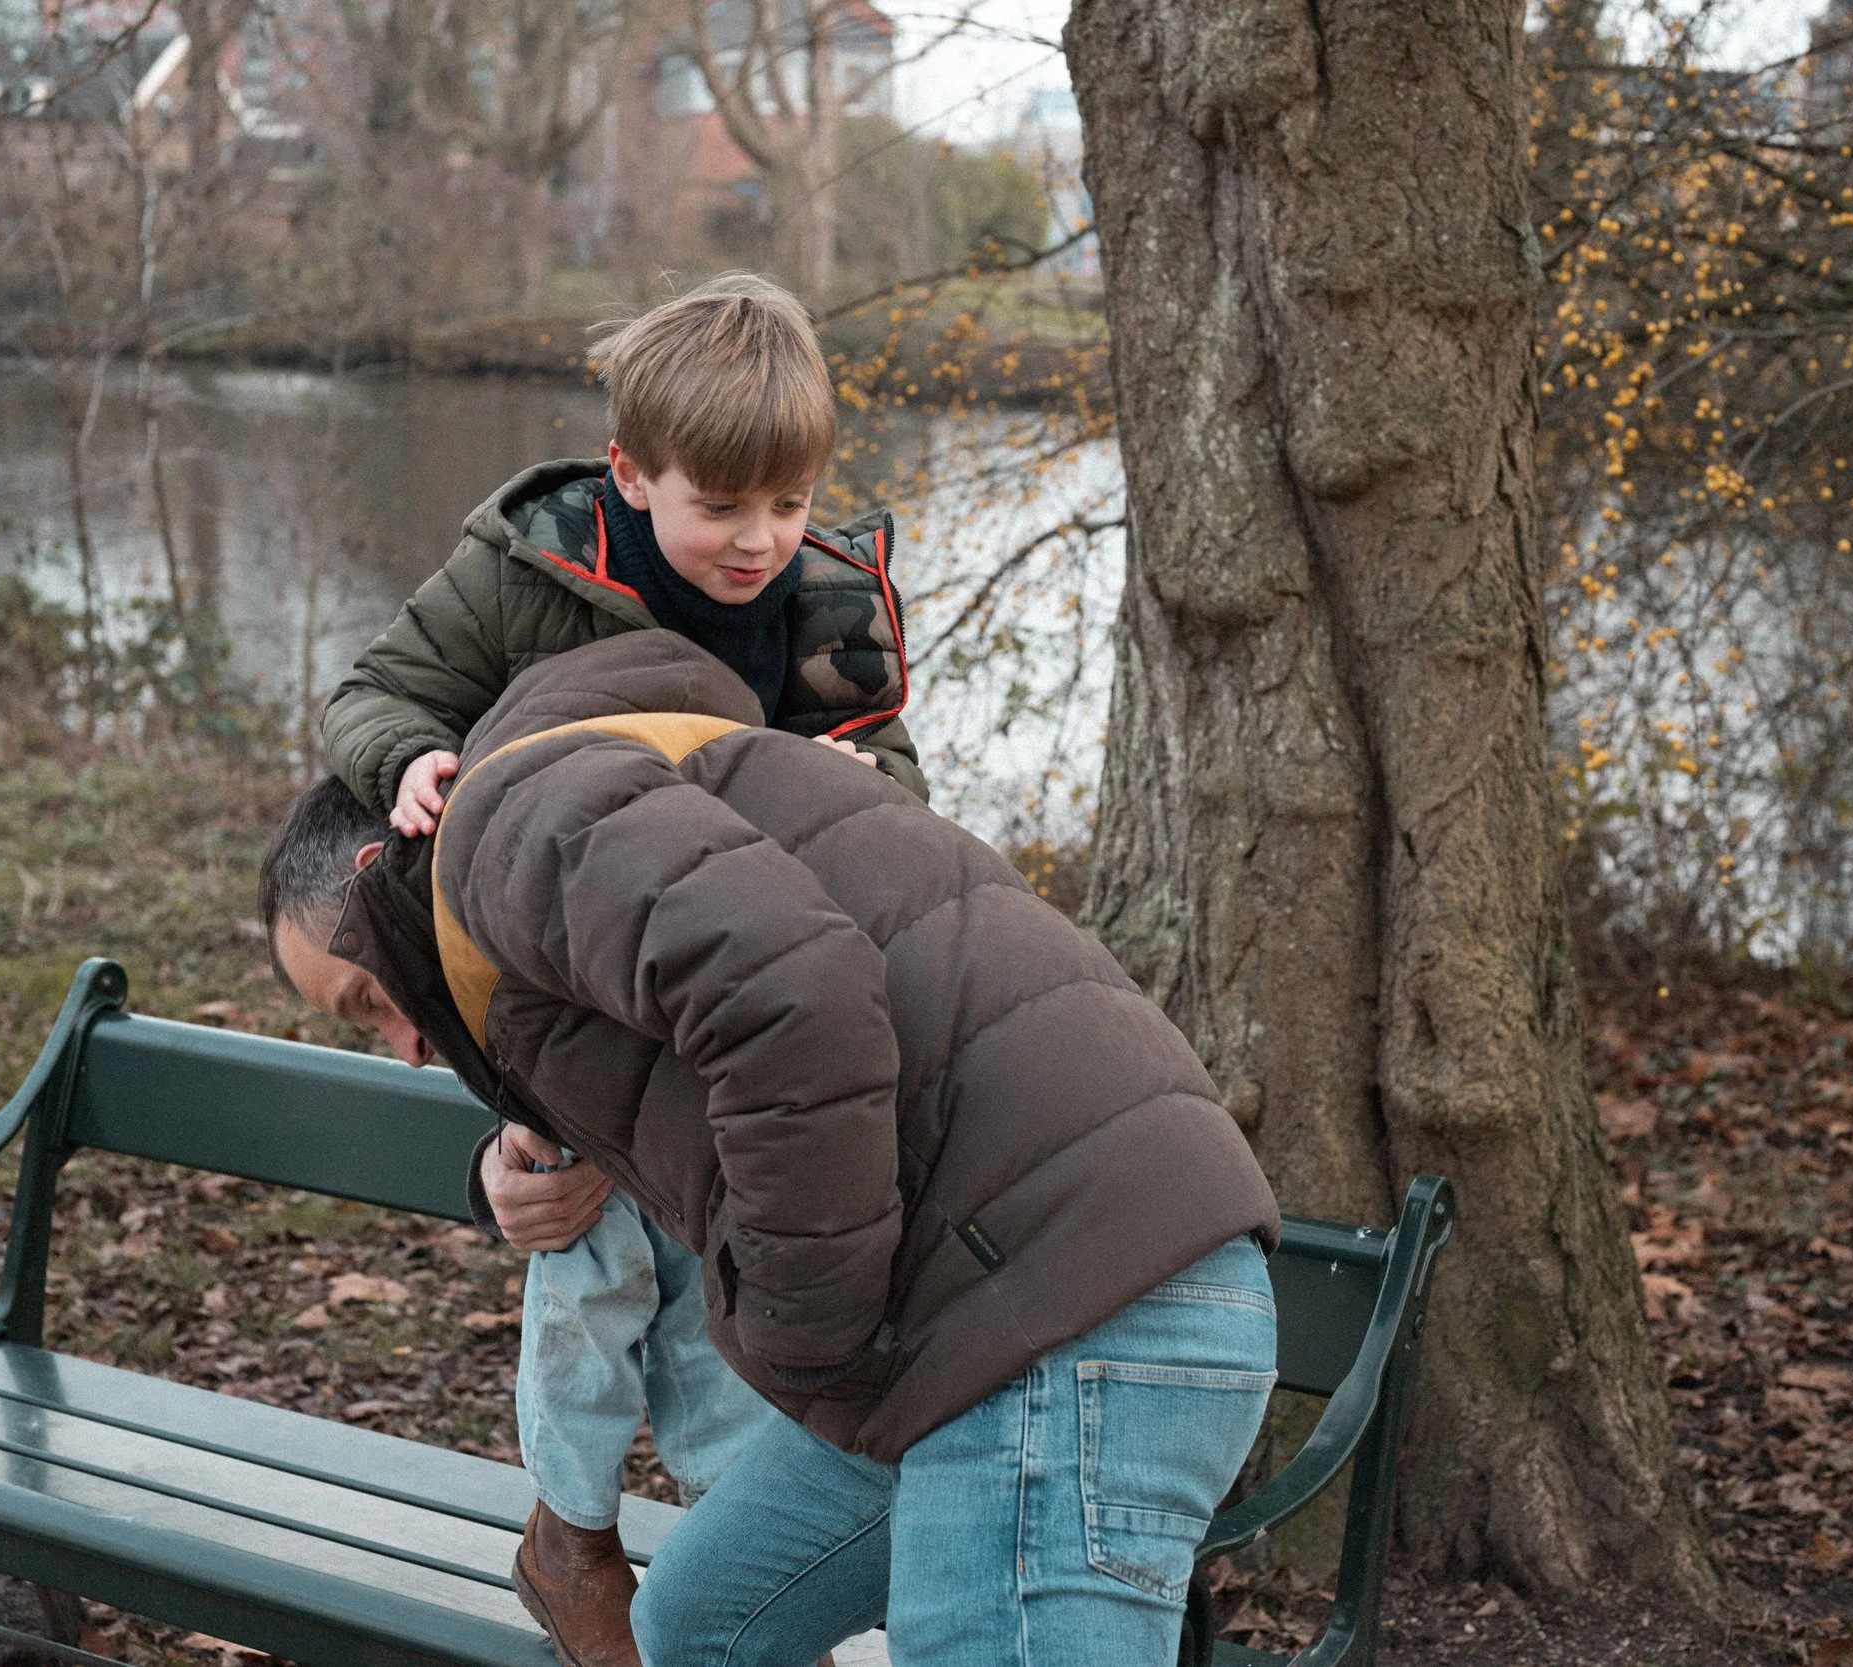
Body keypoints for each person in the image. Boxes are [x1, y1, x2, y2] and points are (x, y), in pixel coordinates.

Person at [261, 632, 1283, 1665]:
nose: (405, 1047)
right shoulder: (602, 797)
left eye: (367, 998)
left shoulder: (505, 817)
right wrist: (505, 1173)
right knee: (703, 1623)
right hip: (985, 1304)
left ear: (374, 863)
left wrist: (805, 1336)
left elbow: (795, 1001)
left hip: (1067, 1308)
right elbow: (678, 1054)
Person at [310, 273, 927, 1667]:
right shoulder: (531, 568)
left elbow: (904, 796)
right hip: (566, 967)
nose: (759, 540)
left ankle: (735, 1542)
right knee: (585, 1259)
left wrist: (850, 786)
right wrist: (411, 761)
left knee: (727, 1271)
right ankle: (570, 1523)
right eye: (721, 506)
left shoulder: (827, 610)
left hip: (722, 996)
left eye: (787, 502)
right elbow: (372, 691)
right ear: (632, 474)